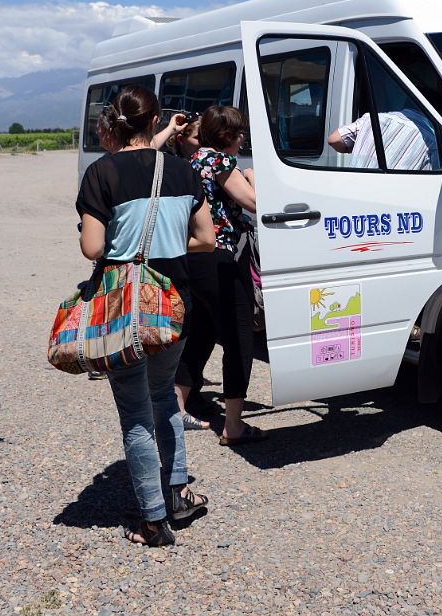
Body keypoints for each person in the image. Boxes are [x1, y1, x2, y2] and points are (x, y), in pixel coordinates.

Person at [76, 86, 217, 547]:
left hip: (125, 308)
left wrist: (127, 247)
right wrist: (166, 247)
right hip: (174, 303)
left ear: (113, 124)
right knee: (164, 399)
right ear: (155, 121)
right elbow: (207, 240)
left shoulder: (101, 173)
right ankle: (177, 493)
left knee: (135, 413)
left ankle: (153, 521)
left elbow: (93, 248)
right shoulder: (182, 170)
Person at [176, 105, 265, 446]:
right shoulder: (222, 162)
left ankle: (178, 405)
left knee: (200, 330)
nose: (243, 138)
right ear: (229, 135)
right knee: (239, 338)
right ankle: (233, 425)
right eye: (241, 133)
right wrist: (254, 177)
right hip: (220, 258)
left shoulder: (192, 160)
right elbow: (253, 202)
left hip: (194, 256)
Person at [328, 108, 439, 171]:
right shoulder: (431, 140)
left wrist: (360, 147)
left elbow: (334, 139)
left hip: (352, 191)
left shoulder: (372, 118)